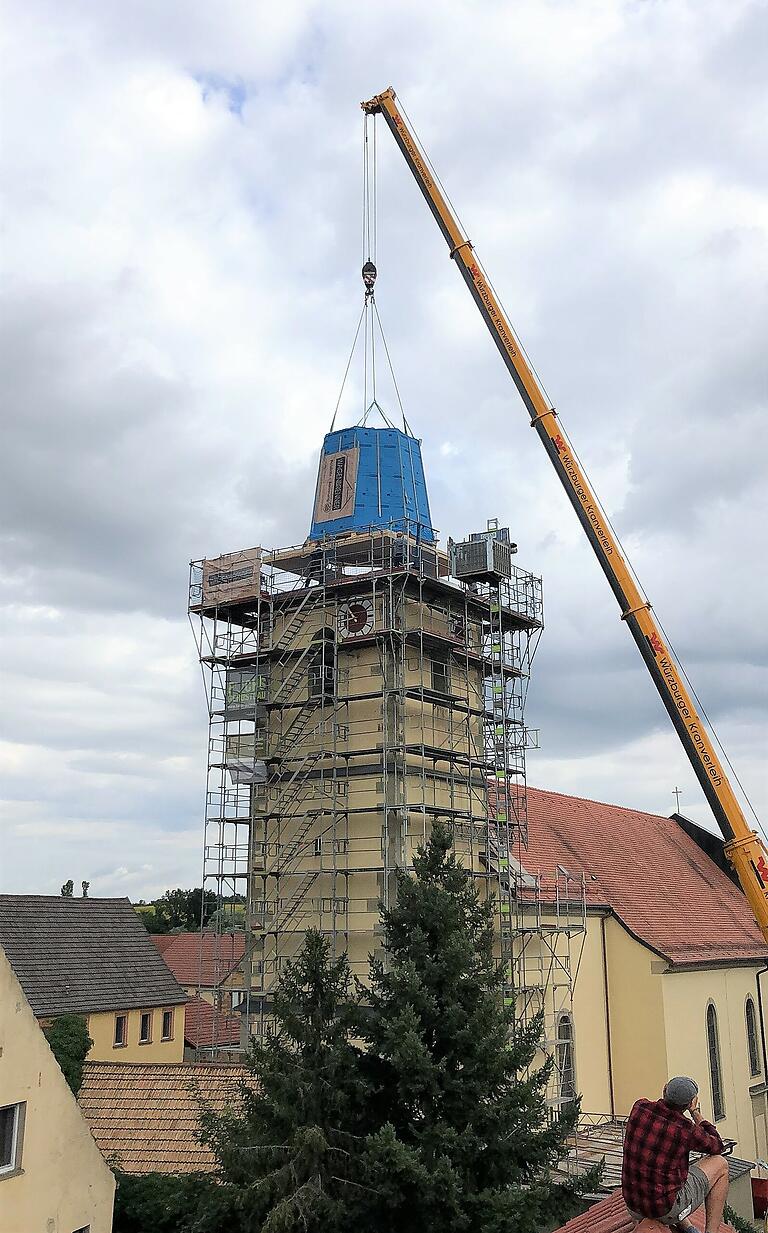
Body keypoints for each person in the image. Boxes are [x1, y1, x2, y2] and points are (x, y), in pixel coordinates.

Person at [622, 1076, 728, 1232]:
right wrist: (695, 1113)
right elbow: (717, 1146)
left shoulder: (639, 1107)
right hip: (664, 1209)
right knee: (721, 1164)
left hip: (634, 1205)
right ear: (691, 1103)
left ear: (664, 1090)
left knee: (667, 1176)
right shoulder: (686, 1129)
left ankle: (688, 1227)